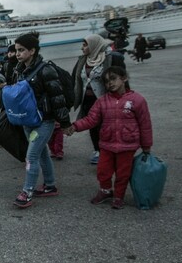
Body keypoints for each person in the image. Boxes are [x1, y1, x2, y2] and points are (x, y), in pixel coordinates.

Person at [64, 66, 152, 209]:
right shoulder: (102, 101)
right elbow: (90, 119)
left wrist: (146, 146)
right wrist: (74, 126)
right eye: (106, 81)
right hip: (106, 144)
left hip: (127, 146)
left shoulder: (137, 100)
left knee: (123, 174)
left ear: (124, 78)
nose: (110, 83)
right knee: (103, 171)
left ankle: (119, 196)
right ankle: (105, 191)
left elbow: (145, 124)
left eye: (113, 79)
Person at [12, 32, 71, 208]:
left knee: (31, 156)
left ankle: (27, 191)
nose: (17, 54)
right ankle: (50, 186)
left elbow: (57, 97)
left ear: (32, 51)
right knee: (42, 153)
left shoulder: (46, 70)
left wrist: (65, 122)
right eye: (16, 50)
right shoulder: (20, 69)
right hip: (29, 121)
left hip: (45, 121)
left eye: (21, 50)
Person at [72, 34, 126, 164]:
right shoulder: (83, 60)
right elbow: (74, 78)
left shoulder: (110, 58)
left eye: (85, 45)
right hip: (88, 100)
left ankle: (111, 150)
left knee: (107, 126)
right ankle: (98, 150)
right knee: (92, 125)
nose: (82, 48)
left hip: (105, 99)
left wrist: (123, 97)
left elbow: (121, 78)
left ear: (94, 45)